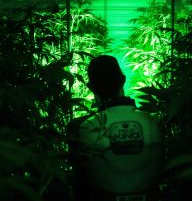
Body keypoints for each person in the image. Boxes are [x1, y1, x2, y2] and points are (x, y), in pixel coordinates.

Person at [68, 55, 164, 201]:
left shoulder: (81, 127)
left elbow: (80, 178)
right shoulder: (154, 122)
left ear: (90, 87)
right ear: (123, 80)